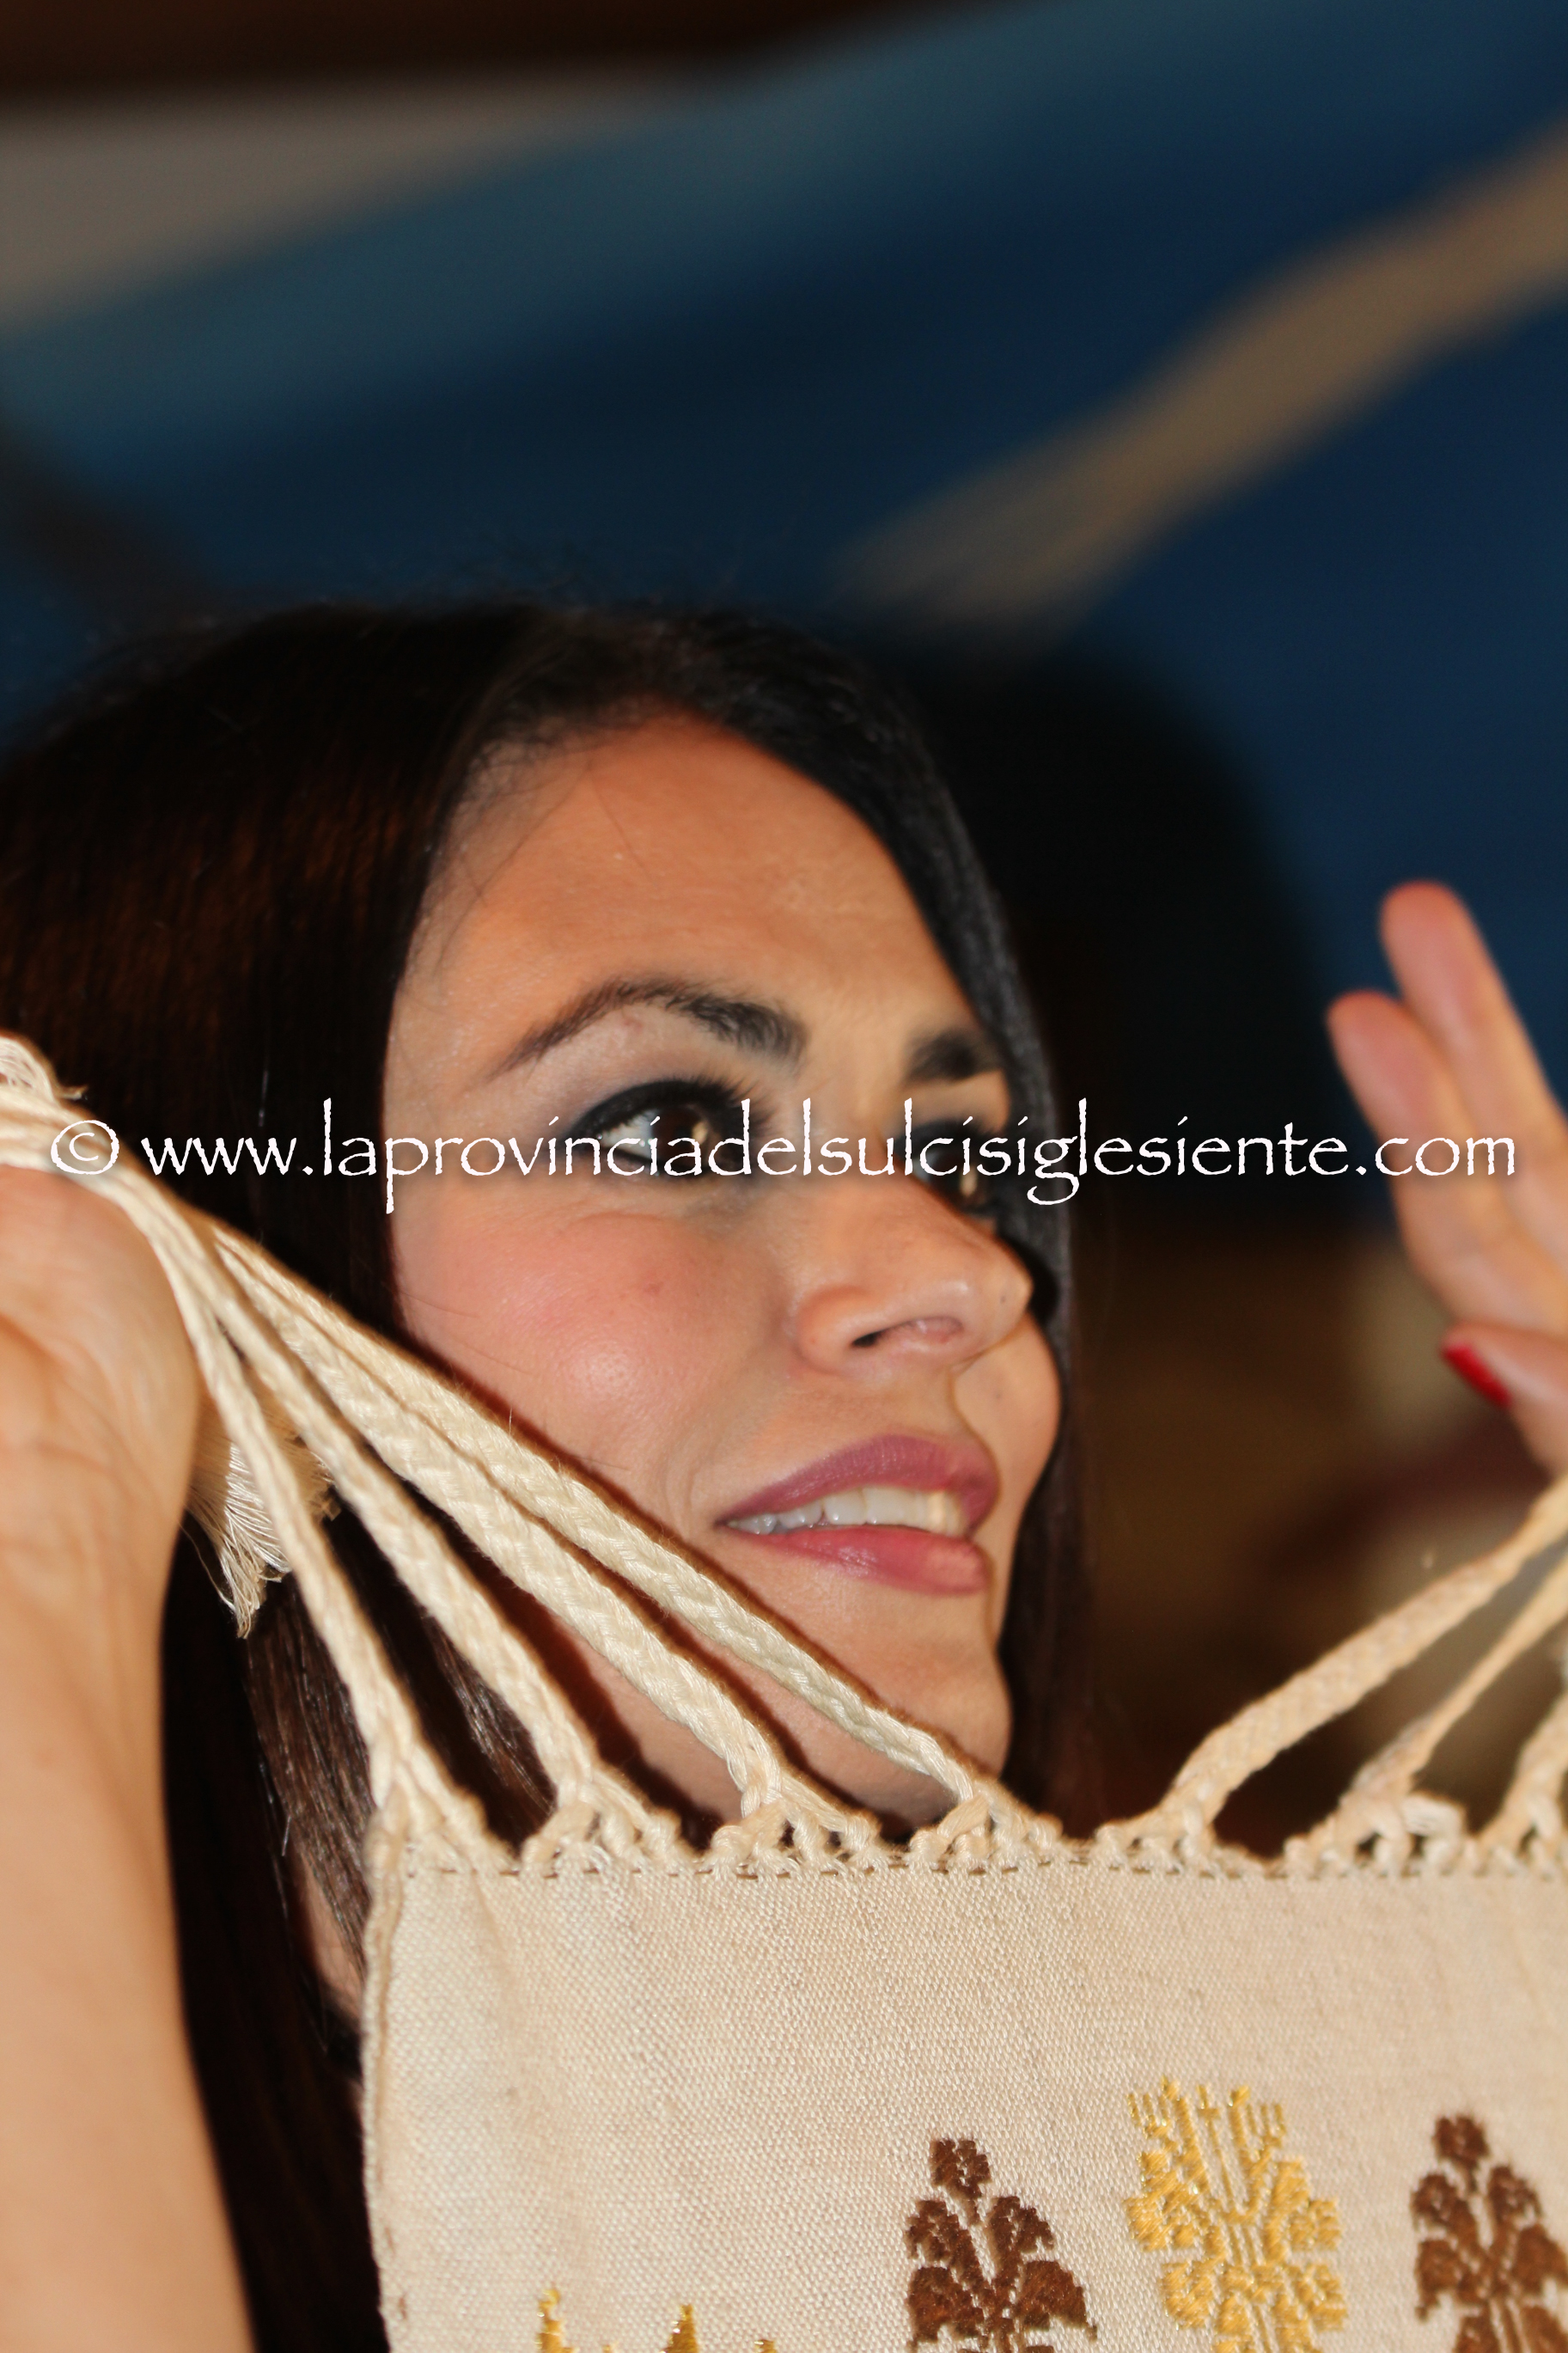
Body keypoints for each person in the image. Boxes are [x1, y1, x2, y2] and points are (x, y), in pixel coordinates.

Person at [0, 602, 1561, 2353]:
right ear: (162, 1249)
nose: (967, 1276)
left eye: (954, 1156)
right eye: (670, 1126)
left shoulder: (1212, 2180)